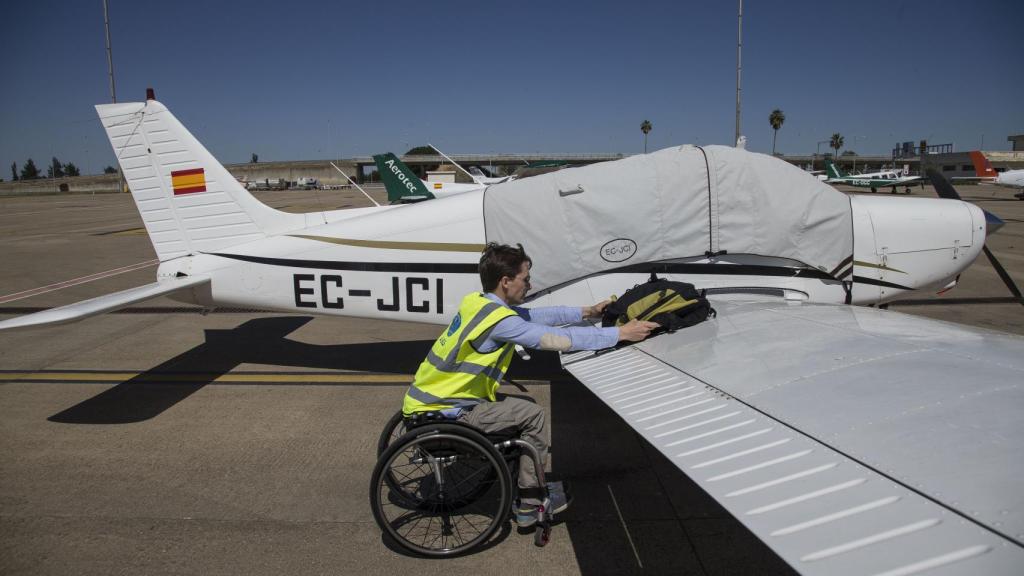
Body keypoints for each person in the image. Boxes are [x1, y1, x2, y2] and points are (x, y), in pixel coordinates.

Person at [403, 242, 658, 527]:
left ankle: (523, 474)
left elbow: (538, 316)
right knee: (533, 416)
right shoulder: (501, 322)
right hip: (448, 411)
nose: (529, 283)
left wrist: (588, 311)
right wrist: (619, 333)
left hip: (425, 401)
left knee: (524, 408)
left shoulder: (478, 302)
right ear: (506, 281)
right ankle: (530, 502)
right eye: (525, 278)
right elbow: (553, 339)